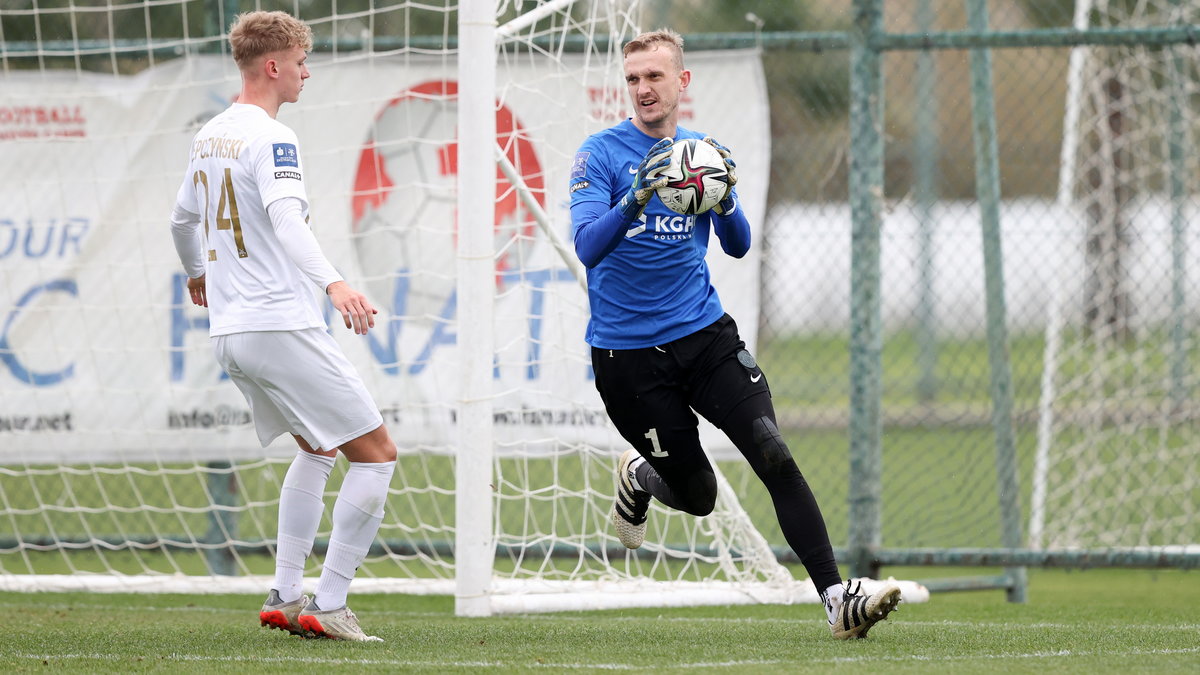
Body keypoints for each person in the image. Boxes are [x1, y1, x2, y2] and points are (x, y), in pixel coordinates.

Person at [567, 28, 901, 640]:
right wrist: (638, 195)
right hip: (629, 358)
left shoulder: (702, 152)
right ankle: (638, 476)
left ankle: (835, 599)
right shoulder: (600, 155)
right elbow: (588, 246)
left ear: (681, 82)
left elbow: (741, 245)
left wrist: (723, 199)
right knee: (698, 496)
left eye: (655, 77)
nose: (643, 88)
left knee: (773, 451)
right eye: (634, 78)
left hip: (706, 337)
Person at [169, 10, 395, 642]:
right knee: (376, 455)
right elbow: (290, 223)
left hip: (231, 333)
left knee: (318, 448)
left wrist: (197, 274)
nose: (306, 72)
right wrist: (337, 283)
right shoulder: (273, 137)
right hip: (277, 323)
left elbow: (180, 221)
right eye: (300, 62)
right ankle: (329, 602)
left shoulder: (210, 133)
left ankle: (285, 592)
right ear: (273, 66)